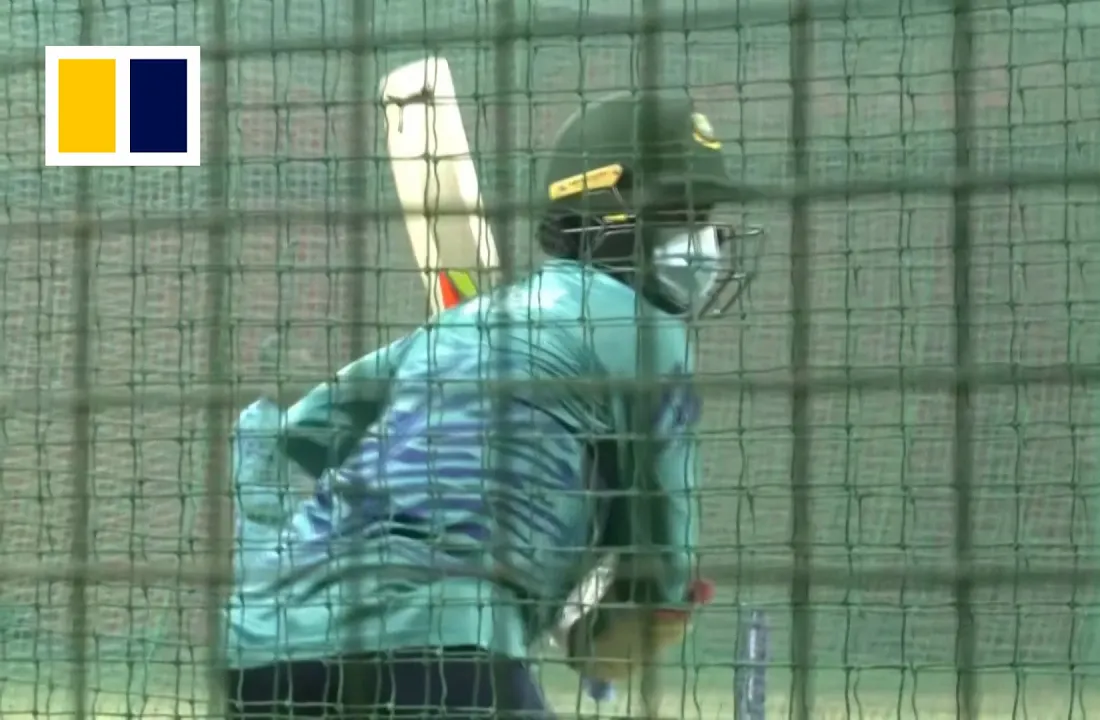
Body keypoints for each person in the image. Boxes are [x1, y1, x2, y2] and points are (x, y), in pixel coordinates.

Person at [221, 90, 761, 719]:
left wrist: (267, 554)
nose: (705, 241)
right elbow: (665, 568)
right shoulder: (651, 336)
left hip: (263, 648)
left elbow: (279, 435)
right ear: (608, 212)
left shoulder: (466, 326)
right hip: (439, 650)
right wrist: (599, 634)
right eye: (683, 215)